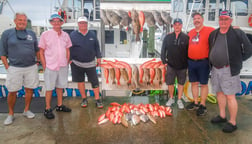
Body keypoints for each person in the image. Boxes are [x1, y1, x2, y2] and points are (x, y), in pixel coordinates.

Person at [209, 10, 252, 133]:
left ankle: (233, 122)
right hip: (215, 69)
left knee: (230, 96)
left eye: (226, 19)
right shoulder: (214, 33)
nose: (223, 21)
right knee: (219, 93)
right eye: (221, 19)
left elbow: (249, 49)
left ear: (231, 21)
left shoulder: (238, 32)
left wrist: (238, 59)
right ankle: (222, 116)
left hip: (228, 69)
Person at [0, 12, 40, 125]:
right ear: (15, 21)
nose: (22, 22)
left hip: (31, 67)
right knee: (12, 91)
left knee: (29, 90)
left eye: (24, 20)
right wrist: (7, 66)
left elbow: (37, 49)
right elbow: (2, 52)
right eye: (20, 20)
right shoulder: (7, 33)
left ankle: (26, 110)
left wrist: (38, 61)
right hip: (14, 68)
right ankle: (10, 114)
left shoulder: (31, 33)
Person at [39, 14, 72, 119]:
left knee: (60, 87)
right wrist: (44, 65)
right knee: (49, 88)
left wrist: (66, 62)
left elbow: (67, 49)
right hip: (50, 66)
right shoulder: (45, 34)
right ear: (51, 23)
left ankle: (59, 105)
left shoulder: (66, 35)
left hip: (62, 65)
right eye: (54, 21)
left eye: (59, 21)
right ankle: (47, 108)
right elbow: (41, 51)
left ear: (62, 22)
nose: (56, 23)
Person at [69, 16, 103, 108]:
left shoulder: (92, 34)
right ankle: (84, 99)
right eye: (81, 23)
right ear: (78, 24)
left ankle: (97, 99)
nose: (83, 24)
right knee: (80, 82)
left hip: (90, 63)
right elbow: (69, 48)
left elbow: (97, 47)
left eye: (84, 23)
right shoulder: (72, 34)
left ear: (87, 24)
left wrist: (99, 57)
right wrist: (69, 59)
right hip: (76, 63)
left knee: (95, 82)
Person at [185, 12, 215, 116]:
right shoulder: (191, 32)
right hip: (191, 62)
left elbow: (221, 32)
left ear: (202, 19)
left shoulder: (209, 30)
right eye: (194, 19)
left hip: (203, 62)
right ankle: (195, 102)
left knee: (203, 84)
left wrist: (233, 28)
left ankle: (203, 104)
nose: (196, 20)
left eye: (198, 18)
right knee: (193, 83)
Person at [161, 18, 189, 109]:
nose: (177, 26)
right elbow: (163, 50)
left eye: (179, 24)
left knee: (181, 83)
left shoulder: (186, 37)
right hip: (171, 65)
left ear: (181, 26)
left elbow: (189, 52)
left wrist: (188, 63)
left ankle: (179, 99)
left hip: (183, 66)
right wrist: (164, 61)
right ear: (173, 26)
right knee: (170, 83)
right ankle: (171, 98)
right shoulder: (168, 37)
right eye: (175, 24)